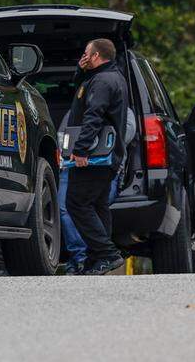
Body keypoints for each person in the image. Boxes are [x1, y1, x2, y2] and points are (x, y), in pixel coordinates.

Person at [65, 38, 129, 275]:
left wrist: (81, 150)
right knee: (98, 204)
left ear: (95, 56)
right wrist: (79, 71)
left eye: (86, 53)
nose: (83, 57)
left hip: (95, 156)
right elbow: (80, 92)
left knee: (77, 202)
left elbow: (94, 116)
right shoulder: (109, 77)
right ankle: (96, 259)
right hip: (108, 157)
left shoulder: (102, 81)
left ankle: (107, 253)